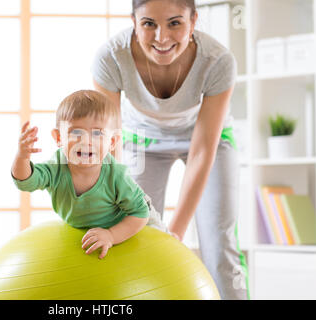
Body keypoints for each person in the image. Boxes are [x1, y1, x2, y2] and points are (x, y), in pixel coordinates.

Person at [91, 0, 249, 299]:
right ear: (134, 23)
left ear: (193, 22)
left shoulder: (218, 60)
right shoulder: (111, 57)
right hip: (142, 140)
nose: (162, 37)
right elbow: (109, 142)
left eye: (175, 23)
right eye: (149, 23)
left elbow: (203, 150)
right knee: (134, 236)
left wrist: (175, 232)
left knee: (219, 246)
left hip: (207, 140)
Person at [10, 90, 167, 260]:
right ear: (58, 137)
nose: (86, 141)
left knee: (162, 246)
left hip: (135, 218)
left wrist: (111, 235)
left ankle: (170, 239)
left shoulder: (116, 175)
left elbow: (140, 213)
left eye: (97, 133)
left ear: (112, 142)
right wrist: (22, 157)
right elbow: (26, 181)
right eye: (75, 132)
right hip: (92, 226)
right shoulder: (56, 167)